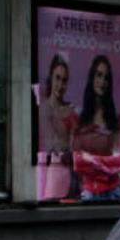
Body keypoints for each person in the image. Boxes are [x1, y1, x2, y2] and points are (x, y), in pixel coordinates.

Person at [73, 55, 120, 201]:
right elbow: (78, 162)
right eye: (99, 75)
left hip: (113, 191)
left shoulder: (115, 119)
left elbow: (119, 161)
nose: (102, 81)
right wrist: (104, 163)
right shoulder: (81, 119)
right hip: (88, 192)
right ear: (92, 78)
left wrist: (90, 160)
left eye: (106, 77)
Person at [37, 54, 77, 200]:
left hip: (72, 175)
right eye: (57, 78)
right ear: (51, 79)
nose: (60, 85)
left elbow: (77, 141)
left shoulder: (70, 109)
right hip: (54, 173)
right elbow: (51, 145)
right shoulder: (44, 109)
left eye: (64, 80)